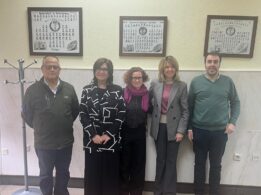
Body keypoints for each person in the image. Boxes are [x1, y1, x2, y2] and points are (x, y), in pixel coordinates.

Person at [22, 55, 80, 195]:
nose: (52, 69)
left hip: (65, 142)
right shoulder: (32, 90)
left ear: (60, 69)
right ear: (42, 69)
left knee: (63, 173)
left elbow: (74, 111)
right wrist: (42, 127)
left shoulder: (69, 89)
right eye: (49, 66)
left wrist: (61, 123)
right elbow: (27, 115)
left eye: (55, 67)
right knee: (45, 175)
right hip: (44, 143)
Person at [188, 53, 240, 195]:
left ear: (219, 64)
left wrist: (232, 122)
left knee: (216, 165)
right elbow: (189, 106)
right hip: (199, 131)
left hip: (220, 132)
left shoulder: (228, 82)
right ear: (205, 63)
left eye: (215, 62)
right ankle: (198, 192)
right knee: (199, 165)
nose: (212, 64)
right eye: (209, 61)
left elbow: (236, 103)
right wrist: (189, 128)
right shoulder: (196, 82)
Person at [79, 58, 126, 195]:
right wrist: (93, 135)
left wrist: (108, 134)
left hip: (111, 141)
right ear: (94, 71)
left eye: (105, 69)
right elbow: (83, 114)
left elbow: (121, 114)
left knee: (110, 176)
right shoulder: (87, 90)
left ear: (110, 72)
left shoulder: (117, 90)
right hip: (92, 140)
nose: (101, 72)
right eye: (99, 68)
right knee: (92, 175)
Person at [149, 56, 189, 195]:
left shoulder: (182, 85)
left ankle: (169, 192)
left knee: (171, 161)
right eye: (166, 67)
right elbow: (148, 103)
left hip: (175, 129)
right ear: (162, 69)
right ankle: (157, 191)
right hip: (158, 127)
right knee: (160, 160)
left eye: (172, 66)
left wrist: (181, 131)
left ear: (175, 69)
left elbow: (185, 110)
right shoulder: (155, 83)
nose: (169, 69)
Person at [120, 67, 149, 195]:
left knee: (139, 164)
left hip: (140, 132)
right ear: (129, 79)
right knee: (124, 163)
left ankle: (137, 191)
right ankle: (124, 190)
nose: (137, 80)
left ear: (143, 79)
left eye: (139, 77)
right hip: (125, 131)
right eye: (134, 77)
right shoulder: (123, 92)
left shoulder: (148, 94)